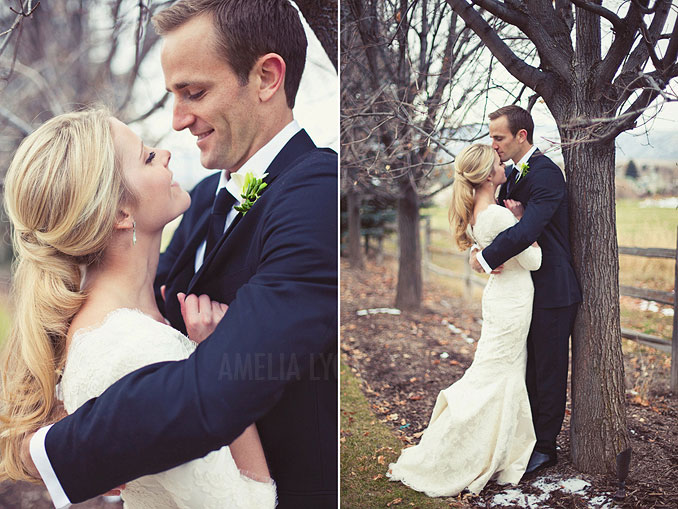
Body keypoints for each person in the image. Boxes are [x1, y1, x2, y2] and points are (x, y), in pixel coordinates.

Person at [18, 1, 338, 508]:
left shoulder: (318, 193)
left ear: (267, 78)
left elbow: (225, 379)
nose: (178, 120)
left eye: (194, 93)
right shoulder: (204, 199)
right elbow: (138, 316)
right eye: (174, 95)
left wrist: (64, 451)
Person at [0, 109, 277, 508]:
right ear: (119, 214)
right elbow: (251, 503)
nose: (164, 154)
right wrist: (218, 357)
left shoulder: (100, 324)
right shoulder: (141, 350)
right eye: (147, 156)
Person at [387, 144, 541, 496]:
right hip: (513, 299)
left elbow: (482, 247)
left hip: (501, 297)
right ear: (488, 175)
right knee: (496, 374)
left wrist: (480, 252)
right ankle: (465, 449)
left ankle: (497, 449)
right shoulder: (500, 216)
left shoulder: (477, 211)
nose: (505, 166)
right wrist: (521, 221)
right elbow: (534, 261)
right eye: (499, 164)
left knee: (497, 371)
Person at [471, 105, 581, 474]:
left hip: (552, 289)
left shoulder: (547, 175)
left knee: (548, 371)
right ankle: (523, 440)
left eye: (499, 137)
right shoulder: (511, 176)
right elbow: (496, 225)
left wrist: (484, 260)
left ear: (521, 136)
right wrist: (476, 252)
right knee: (526, 368)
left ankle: (545, 448)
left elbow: (525, 232)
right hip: (522, 290)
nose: (493, 144)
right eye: (491, 137)